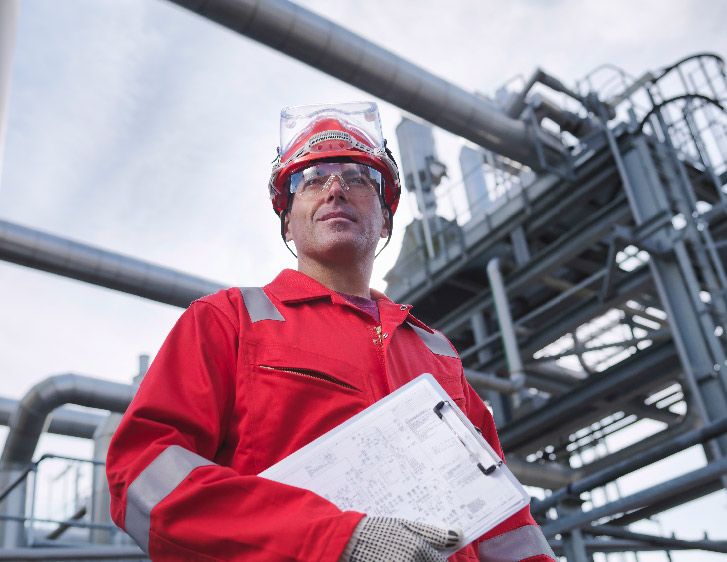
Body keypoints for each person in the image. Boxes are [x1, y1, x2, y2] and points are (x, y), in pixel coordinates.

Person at [106, 102, 556, 562]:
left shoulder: (438, 356)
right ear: (287, 216)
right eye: (312, 179)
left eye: (359, 178)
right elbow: (143, 471)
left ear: (385, 214)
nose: (336, 188)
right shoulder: (228, 321)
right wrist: (332, 541)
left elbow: (507, 526)